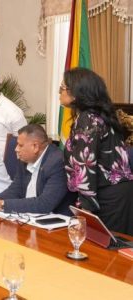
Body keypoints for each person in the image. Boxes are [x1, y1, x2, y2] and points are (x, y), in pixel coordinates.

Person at [60, 67, 133, 235]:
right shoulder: (93, 116)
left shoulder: (88, 120)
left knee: (110, 255)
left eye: (62, 88)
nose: (60, 93)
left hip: (109, 198)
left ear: (77, 92)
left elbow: (86, 166)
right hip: (112, 194)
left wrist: (85, 212)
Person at [0, 124, 73, 214]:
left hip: (56, 222)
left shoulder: (58, 162)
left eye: (20, 145)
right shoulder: (25, 159)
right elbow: (15, 190)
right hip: (29, 217)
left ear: (35, 146)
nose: (16, 149)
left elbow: (45, 204)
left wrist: (1, 204)